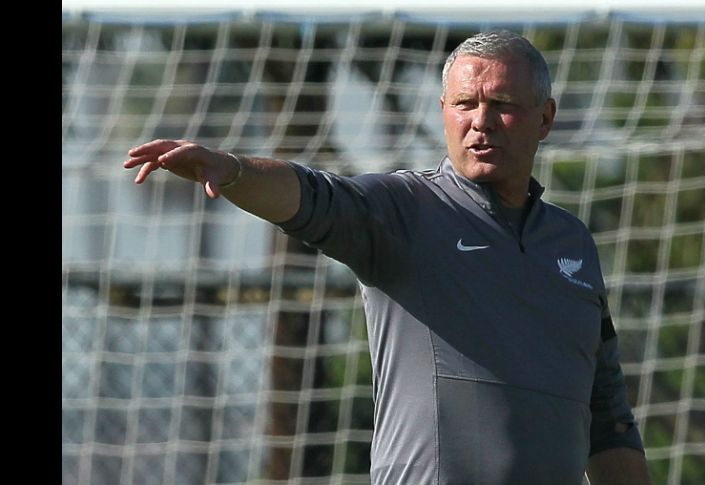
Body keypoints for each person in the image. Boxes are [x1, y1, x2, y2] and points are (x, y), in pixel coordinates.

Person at [124, 31, 650, 485]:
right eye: (465, 104)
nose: (481, 122)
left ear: (545, 117)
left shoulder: (572, 243)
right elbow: (314, 196)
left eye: (502, 104)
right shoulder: (406, 210)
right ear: (443, 112)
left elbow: (607, 416)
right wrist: (235, 171)